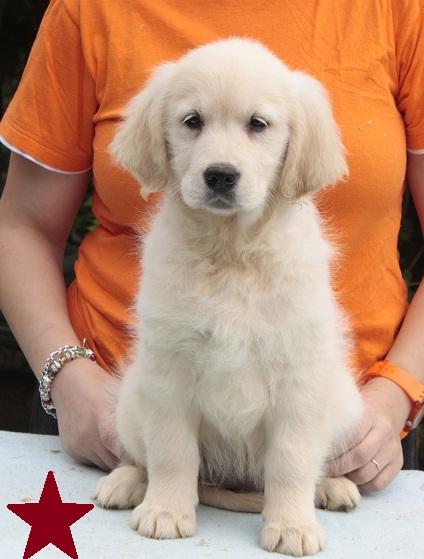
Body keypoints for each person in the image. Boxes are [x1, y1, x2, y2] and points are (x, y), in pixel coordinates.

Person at [0, 0, 423, 491]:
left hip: (349, 439)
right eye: (193, 122)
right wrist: (66, 379)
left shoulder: (397, 9)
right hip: (110, 425)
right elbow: (21, 225)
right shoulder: (90, 9)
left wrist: (398, 392)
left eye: (257, 125)